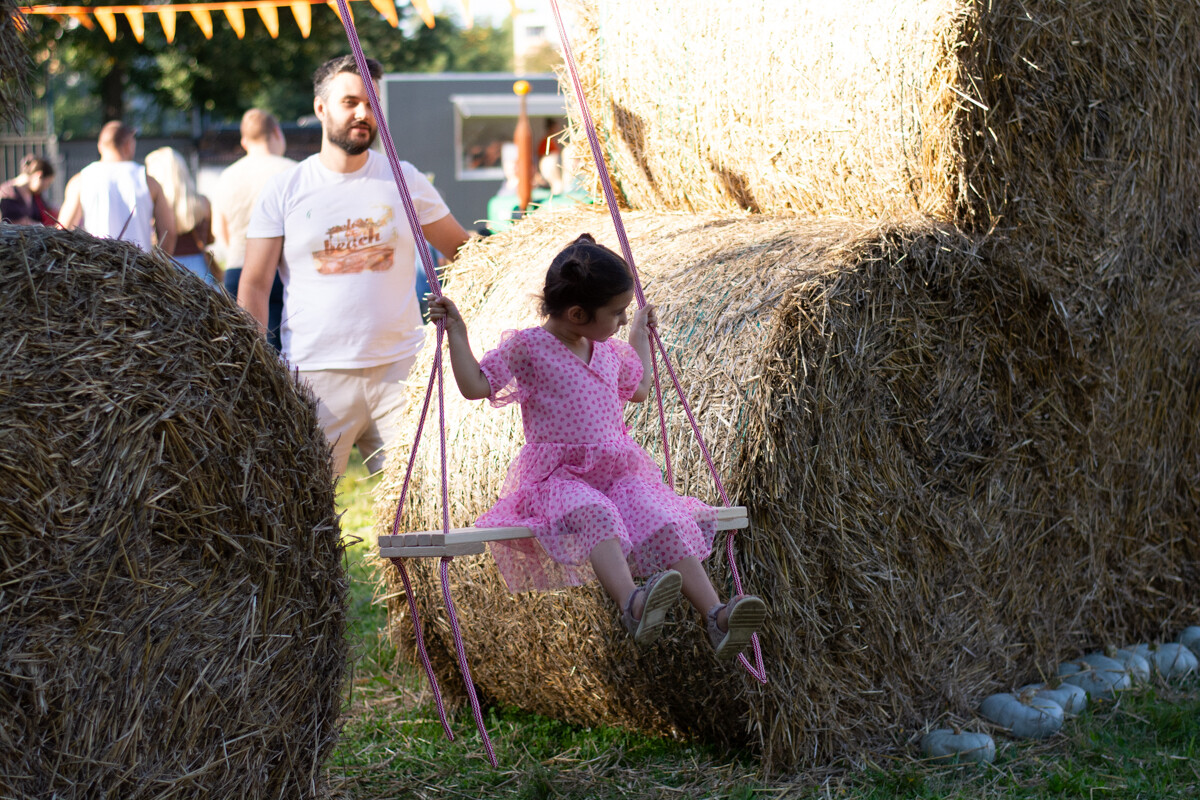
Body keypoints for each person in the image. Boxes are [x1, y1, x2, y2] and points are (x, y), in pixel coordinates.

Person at [427, 234, 768, 659]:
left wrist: (641, 333)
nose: (622, 321)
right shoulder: (529, 348)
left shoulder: (608, 350)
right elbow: (476, 385)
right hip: (560, 477)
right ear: (576, 313)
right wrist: (456, 332)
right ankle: (633, 604)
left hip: (617, 471)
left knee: (662, 515)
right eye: (617, 313)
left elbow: (640, 387)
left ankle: (717, 615)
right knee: (597, 513)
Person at [239, 55, 471, 476]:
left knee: (418, 517)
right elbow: (254, 284)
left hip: (401, 375)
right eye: (350, 102)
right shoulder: (286, 188)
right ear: (321, 108)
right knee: (307, 516)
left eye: (371, 103)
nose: (363, 114)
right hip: (314, 377)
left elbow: (465, 252)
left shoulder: (406, 179)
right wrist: (256, 366)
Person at [213, 108, 294, 351]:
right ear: (277, 133)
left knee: (246, 356)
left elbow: (220, 230)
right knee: (285, 356)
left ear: (244, 141)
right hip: (282, 272)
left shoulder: (227, 176)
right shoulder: (292, 171)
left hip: (238, 269)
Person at [58, 121, 176, 253]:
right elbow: (168, 231)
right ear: (128, 145)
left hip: (98, 268)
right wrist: (159, 265)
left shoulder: (80, 180)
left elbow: (63, 230)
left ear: (100, 146)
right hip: (139, 268)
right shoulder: (148, 182)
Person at [144, 147, 220, 287]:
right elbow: (209, 239)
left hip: (167, 269)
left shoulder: (153, 208)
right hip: (201, 271)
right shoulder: (203, 203)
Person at [1, 154, 56, 225]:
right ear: (39, 175)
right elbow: (11, 221)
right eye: (47, 184)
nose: (45, 188)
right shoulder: (7, 193)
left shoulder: (35, 196)